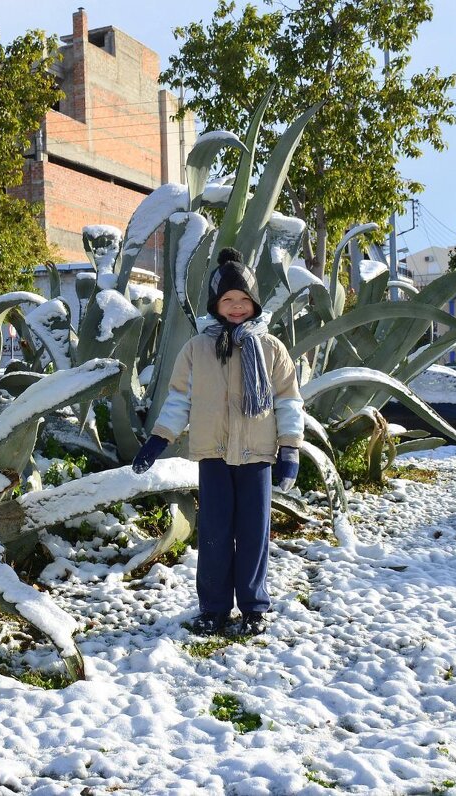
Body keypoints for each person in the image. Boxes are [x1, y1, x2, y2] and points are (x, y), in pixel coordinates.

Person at [132, 247, 304, 637]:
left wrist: (290, 446)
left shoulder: (271, 348)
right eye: (228, 299)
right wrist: (160, 438)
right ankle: (212, 608)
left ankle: (254, 606)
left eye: (244, 299)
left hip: (257, 456)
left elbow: (288, 399)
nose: (237, 306)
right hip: (212, 455)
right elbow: (179, 399)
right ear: (215, 304)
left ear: (255, 303)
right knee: (214, 534)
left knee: (254, 534)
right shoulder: (196, 350)